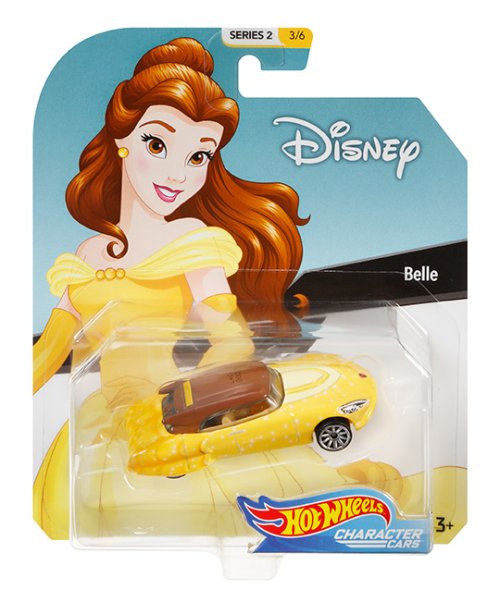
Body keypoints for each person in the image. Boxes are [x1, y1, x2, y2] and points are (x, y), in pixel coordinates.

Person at [33, 37, 308, 538]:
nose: (178, 175)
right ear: (122, 140)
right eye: (157, 145)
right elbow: (49, 350)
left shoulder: (192, 240)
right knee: (61, 517)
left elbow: (232, 338)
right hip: (104, 416)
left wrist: (193, 403)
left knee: (198, 510)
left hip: (166, 411)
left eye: (199, 156)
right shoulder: (88, 254)